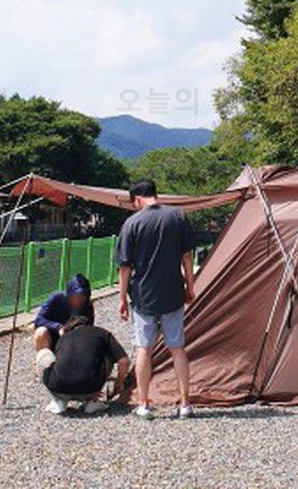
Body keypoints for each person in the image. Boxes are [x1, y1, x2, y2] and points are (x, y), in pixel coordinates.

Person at [116, 178, 196, 419]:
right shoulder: (178, 216)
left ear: (137, 199)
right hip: (173, 292)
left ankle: (143, 404)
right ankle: (185, 404)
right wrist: (190, 286)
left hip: (143, 296)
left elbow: (124, 267)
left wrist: (122, 299)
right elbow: (188, 256)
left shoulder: (132, 223)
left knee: (144, 348)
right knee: (177, 348)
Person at [37, 315, 129, 415]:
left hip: (57, 388)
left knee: (43, 352)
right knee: (107, 355)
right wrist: (119, 382)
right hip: (91, 389)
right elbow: (124, 361)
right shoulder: (102, 333)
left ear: (68, 328)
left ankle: (59, 401)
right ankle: (91, 401)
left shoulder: (63, 338)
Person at [32, 273, 95, 352]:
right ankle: (44, 358)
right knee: (41, 332)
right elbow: (38, 320)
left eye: (83, 296)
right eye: (76, 296)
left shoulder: (87, 305)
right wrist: (58, 327)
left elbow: (89, 328)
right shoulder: (56, 298)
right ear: (69, 295)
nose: (80, 300)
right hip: (53, 338)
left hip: (73, 342)